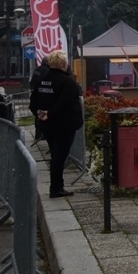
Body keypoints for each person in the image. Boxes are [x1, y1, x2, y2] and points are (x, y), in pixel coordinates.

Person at [29, 50, 83, 199]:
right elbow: (65, 103)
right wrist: (50, 113)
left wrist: (38, 112)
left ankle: (57, 186)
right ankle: (56, 188)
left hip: (47, 126)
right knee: (59, 157)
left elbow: (33, 101)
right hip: (64, 125)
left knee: (55, 155)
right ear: (64, 64)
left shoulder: (42, 80)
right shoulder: (67, 81)